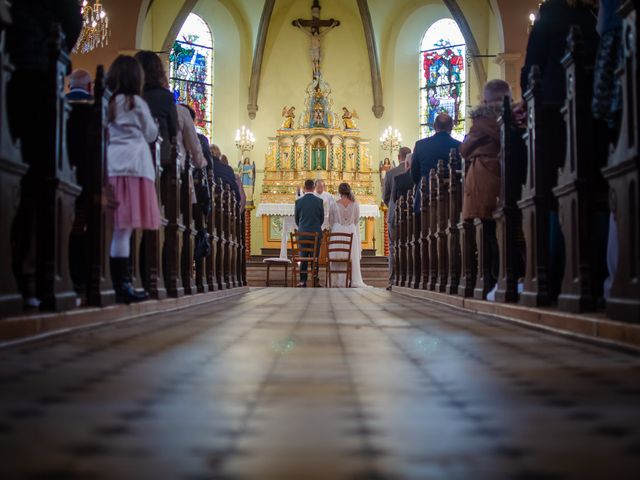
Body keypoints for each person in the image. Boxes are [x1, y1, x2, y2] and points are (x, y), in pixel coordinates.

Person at [7, 0, 82, 307]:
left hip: (15, 67)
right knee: (39, 177)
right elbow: (72, 20)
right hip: (39, 72)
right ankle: (33, 277)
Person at [106, 55, 161, 303]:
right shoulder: (136, 103)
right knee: (124, 230)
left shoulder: (108, 102)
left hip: (112, 167)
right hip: (135, 170)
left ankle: (117, 282)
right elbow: (151, 134)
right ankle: (123, 285)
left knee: (115, 229)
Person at [461, 79, 513, 298]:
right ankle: (507, 278)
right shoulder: (512, 119)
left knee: (491, 235)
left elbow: (464, 149)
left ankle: (494, 281)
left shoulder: (482, 121)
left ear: (485, 100)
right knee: (503, 232)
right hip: (507, 176)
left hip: (484, 180)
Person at [411, 112, 461, 211]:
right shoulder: (459, 146)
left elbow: (414, 173)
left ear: (434, 126)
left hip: (425, 195)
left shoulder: (421, 145)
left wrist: (423, 182)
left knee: (422, 224)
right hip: (452, 198)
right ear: (451, 127)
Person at [134, 51, 177, 164]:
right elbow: (174, 130)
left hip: (132, 155)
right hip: (161, 158)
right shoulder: (166, 97)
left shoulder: (128, 96)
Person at [328, 183, 367, 288]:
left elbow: (330, 221)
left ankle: (336, 281)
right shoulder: (355, 204)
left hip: (337, 232)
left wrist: (338, 226)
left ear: (339, 192)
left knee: (337, 258)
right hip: (351, 232)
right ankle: (349, 280)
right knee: (350, 257)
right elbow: (356, 220)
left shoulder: (334, 204)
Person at [383, 146, 412, 290]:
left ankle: (392, 281)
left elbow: (385, 197)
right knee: (411, 245)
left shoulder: (390, 174)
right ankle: (410, 279)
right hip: (412, 215)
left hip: (394, 215)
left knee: (393, 248)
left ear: (399, 157)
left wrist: (394, 205)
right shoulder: (413, 172)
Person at [295, 179, 324, 287]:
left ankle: (303, 281)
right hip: (316, 234)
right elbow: (321, 219)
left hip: (302, 234)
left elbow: (297, 219)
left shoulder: (299, 201)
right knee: (315, 258)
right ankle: (315, 280)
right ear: (313, 188)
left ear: (304, 187)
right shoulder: (319, 201)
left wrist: (303, 228)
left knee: (303, 258)